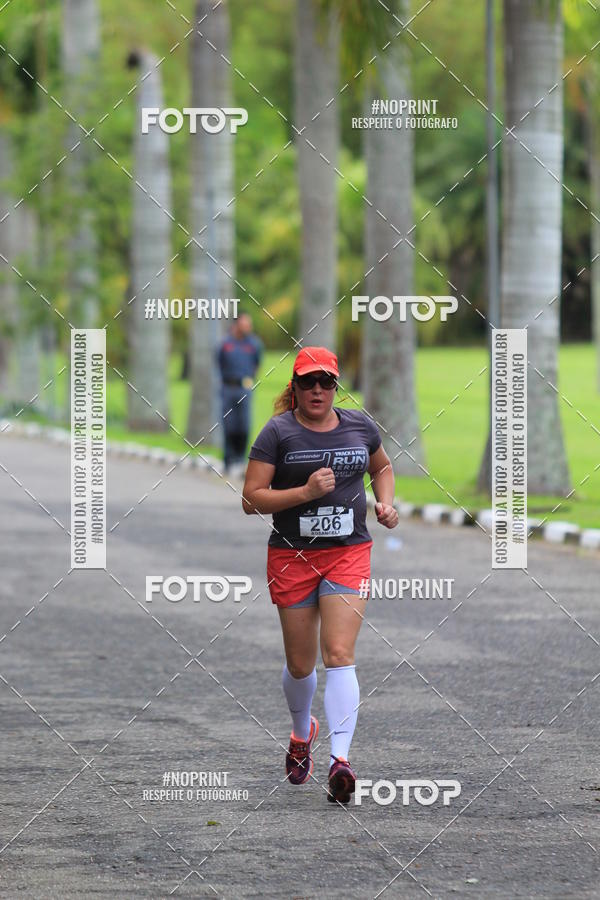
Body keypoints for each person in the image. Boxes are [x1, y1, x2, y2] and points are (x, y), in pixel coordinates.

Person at [242, 346, 398, 804]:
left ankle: (340, 761)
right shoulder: (277, 432)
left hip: (348, 553)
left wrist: (386, 503)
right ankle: (301, 731)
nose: (317, 390)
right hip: (292, 557)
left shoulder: (359, 426)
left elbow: (383, 466)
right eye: (308, 382)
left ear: (336, 386)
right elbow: (251, 499)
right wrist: (305, 492)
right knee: (300, 664)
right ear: (295, 387)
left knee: (339, 653)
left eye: (325, 382)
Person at [217, 313, 263, 473]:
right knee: (229, 424)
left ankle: (240, 459)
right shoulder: (225, 343)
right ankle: (228, 459)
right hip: (228, 388)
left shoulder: (254, 344)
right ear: (236, 324)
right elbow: (219, 362)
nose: (248, 327)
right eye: (245, 323)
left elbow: (257, 364)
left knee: (243, 425)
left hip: (245, 388)